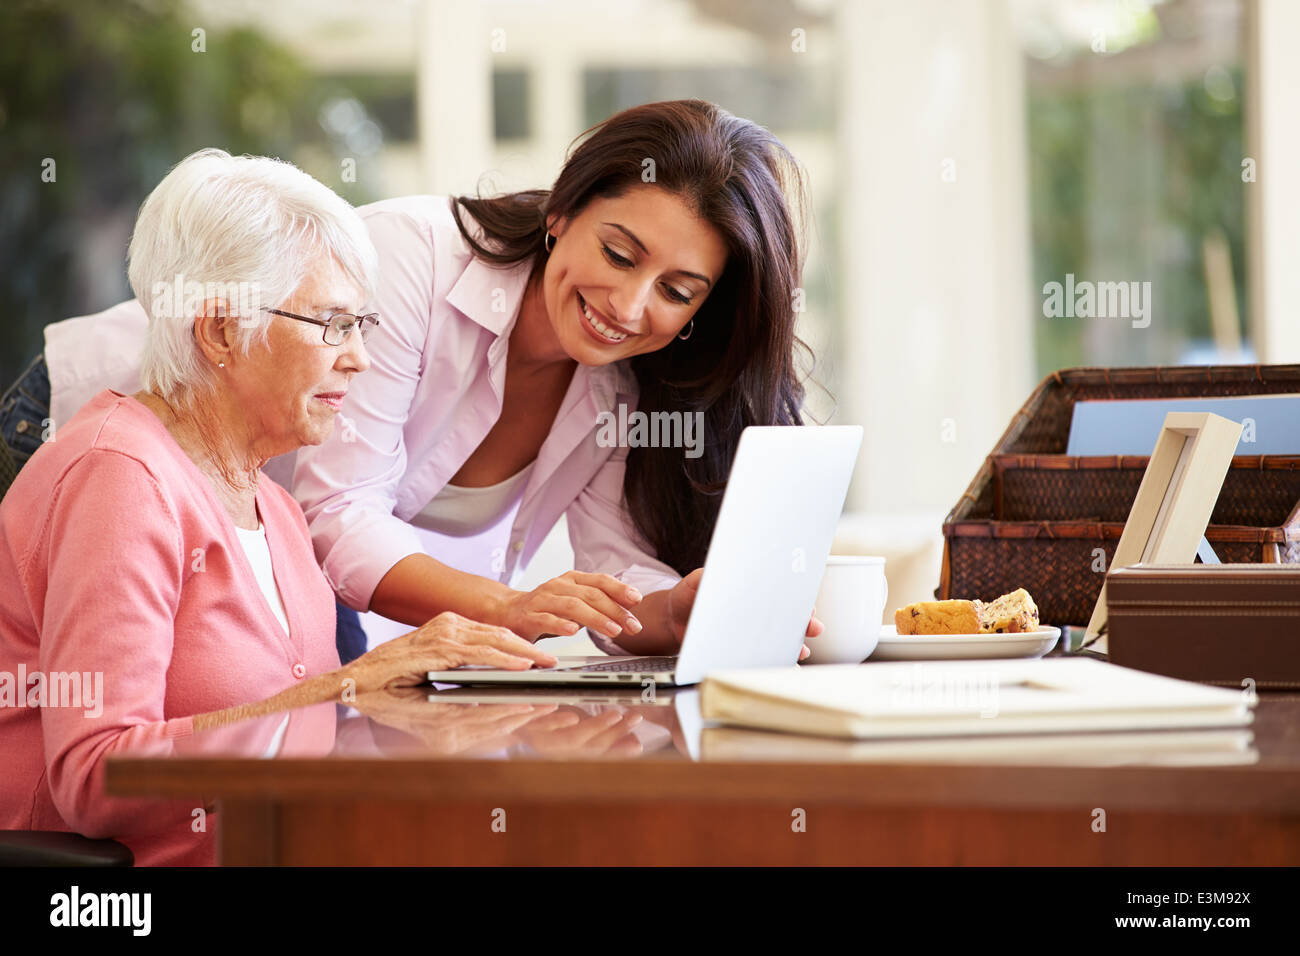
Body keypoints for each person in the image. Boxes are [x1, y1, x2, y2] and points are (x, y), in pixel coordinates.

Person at [0, 150, 554, 866]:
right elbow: (98, 775)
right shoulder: (119, 477)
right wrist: (350, 684)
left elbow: (302, 728)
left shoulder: (276, 507)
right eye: (332, 324)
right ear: (221, 331)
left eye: (364, 326)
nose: (357, 357)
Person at [293, 99, 821, 657]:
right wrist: (507, 607)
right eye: (618, 255)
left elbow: (616, 565)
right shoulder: (404, 255)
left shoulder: (630, 381)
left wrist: (679, 611)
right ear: (563, 212)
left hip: (416, 650)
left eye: (676, 292)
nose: (629, 306)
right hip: (258, 605)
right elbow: (338, 510)